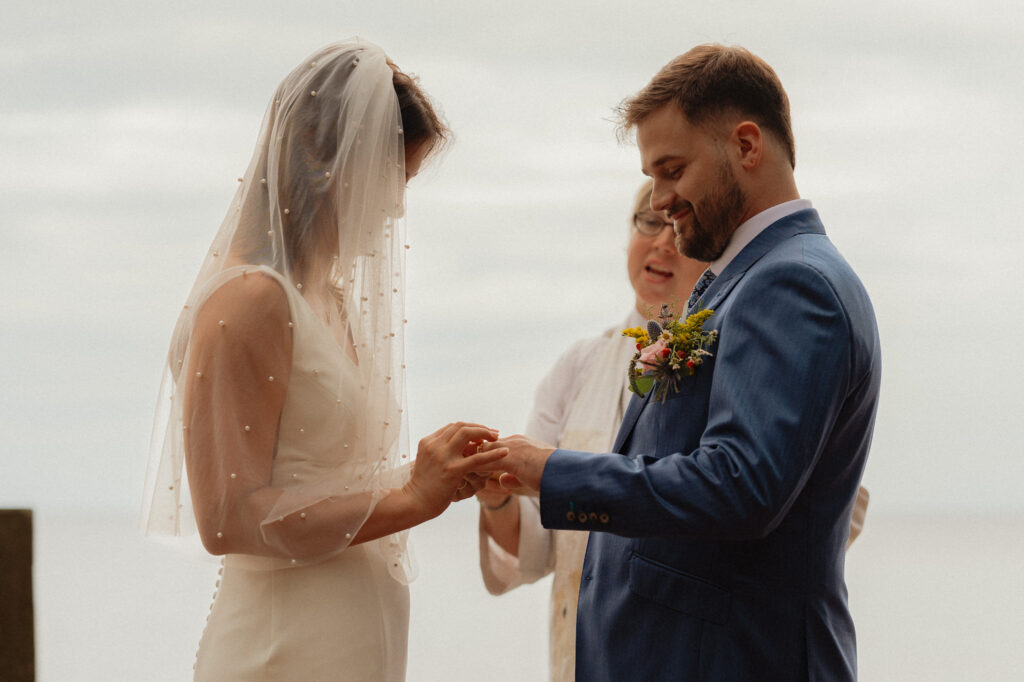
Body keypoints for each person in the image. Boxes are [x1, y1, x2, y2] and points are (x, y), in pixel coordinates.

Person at [485, 44, 881, 681]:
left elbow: (740, 487)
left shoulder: (791, 284)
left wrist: (552, 471)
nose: (662, 199)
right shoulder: (743, 280)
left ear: (746, 146)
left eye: (672, 170)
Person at [139, 40, 504, 681]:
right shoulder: (247, 300)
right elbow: (227, 518)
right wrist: (412, 497)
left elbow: (326, 477)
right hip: (287, 645)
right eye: (389, 176)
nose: (393, 206)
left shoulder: (326, 300)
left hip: (354, 637)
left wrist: (436, 471)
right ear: (317, 155)